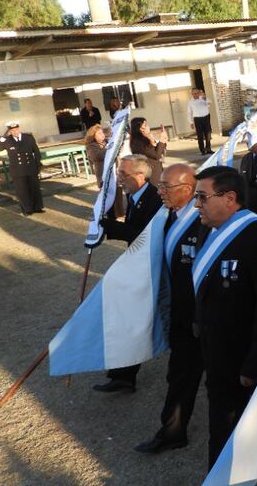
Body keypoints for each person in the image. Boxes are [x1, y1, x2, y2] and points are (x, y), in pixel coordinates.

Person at [193, 166, 257, 468]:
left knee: (245, 418)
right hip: (216, 348)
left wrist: (254, 363)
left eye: (202, 197)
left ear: (230, 198)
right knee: (224, 417)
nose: (196, 205)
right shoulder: (208, 229)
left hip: (243, 352)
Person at [134, 164, 204, 455]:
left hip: (203, 318)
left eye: (166, 187)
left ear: (188, 189)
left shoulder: (204, 221)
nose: (160, 191)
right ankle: (173, 431)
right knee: (179, 374)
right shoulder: (166, 216)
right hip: (178, 314)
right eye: (159, 185)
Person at [94, 154, 163, 393]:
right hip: (140, 266)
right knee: (130, 320)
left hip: (153, 270)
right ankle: (122, 375)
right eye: (119, 173)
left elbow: (143, 235)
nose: (120, 178)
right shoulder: (135, 196)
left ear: (141, 175)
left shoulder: (154, 199)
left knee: (137, 320)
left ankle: (124, 374)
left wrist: (108, 225)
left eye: (124, 174)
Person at [0, 121, 44, 215]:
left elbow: (36, 151)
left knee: (34, 188)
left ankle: (37, 207)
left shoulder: (28, 137)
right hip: (17, 170)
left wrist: (38, 164)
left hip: (30, 167)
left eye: (16, 129)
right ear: (9, 131)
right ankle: (27, 209)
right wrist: (3, 138)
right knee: (22, 191)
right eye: (12, 130)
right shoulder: (7, 140)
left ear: (19, 129)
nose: (15, 132)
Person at [129, 117, 168, 186]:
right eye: (145, 125)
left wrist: (163, 140)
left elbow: (157, 151)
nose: (148, 126)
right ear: (141, 128)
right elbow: (156, 155)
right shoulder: (139, 142)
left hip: (155, 170)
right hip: (151, 174)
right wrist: (162, 140)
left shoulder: (145, 138)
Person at [187, 88, 213, 155]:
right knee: (200, 135)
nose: (196, 95)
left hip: (206, 117)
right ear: (192, 94)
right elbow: (189, 113)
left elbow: (210, 102)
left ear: (199, 93)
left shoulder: (203, 98)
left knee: (208, 134)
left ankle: (208, 149)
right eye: (194, 93)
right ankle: (202, 150)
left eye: (197, 93)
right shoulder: (190, 102)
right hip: (197, 119)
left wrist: (205, 98)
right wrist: (191, 122)